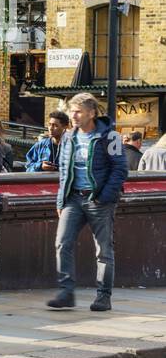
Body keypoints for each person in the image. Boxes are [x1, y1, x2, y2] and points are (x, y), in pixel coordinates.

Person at [48, 92, 128, 312]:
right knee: (62, 242)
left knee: (103, 250)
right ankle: (66, 292)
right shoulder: (68, 137)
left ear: (91, 113)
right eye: (71, 111)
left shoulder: (110, 136)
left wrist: (104, 197)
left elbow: (120, 169)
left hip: (99, 200)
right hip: (73, 198)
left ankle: (103, 296)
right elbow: (64, 170)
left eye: (78, 111)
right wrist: (60, 200)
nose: (73, 115)